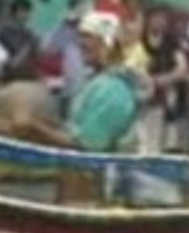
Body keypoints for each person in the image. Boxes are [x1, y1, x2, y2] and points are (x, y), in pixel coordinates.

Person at [11, 10, 142, 153]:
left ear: (107, 43)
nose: (81, 43)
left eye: (88, 37)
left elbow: (88, 146)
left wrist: (34, 128)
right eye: (80, 37)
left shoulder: (113, 90)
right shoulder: (96, 82)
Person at [135, 1, 188, 154]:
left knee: (159, 139)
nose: (159, 21)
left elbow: (181, 67)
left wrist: (162, 80)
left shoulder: (172, 42)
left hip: (162, 97)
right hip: (140, 95)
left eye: (163, 18)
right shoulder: (140, 40)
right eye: (155, 17)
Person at [42, 0, 90, 108]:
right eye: (78, 9)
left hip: (88, 87)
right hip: (69, 89)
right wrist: (64, 23)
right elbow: (46, 48)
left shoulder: (92, 31)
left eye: (83, 10)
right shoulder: (64, 30)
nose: (80, 14)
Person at [0, 0, 40, 82]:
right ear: (14, 13)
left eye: (28, 11)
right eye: (23, 11)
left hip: (27, 76)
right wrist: (30, 44)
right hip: (10, 78)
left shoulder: (29, 34)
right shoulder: (5, 32)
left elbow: (37, 55)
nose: (26, 15)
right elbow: (13, 62)